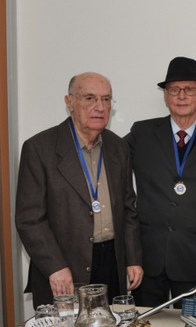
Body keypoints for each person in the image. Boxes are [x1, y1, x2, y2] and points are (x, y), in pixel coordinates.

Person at [15, 72, 143, 306]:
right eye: (90, 98)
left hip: (112, 261)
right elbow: (29, 219)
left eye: (106, 99)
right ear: (69, 102)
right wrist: (55, 267)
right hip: (65, 266)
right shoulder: (39, 149)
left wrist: (133, 259)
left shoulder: (119, 147)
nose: (99, 107)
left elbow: (128, 208)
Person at [125, 57, 196, 307]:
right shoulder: (142, 133)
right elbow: (110, 163)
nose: (182, 96)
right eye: (174, 89)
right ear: (165, 95)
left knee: (192, 322)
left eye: (190, 89)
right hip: (146, 260)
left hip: (193, 259)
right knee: (144, 323)